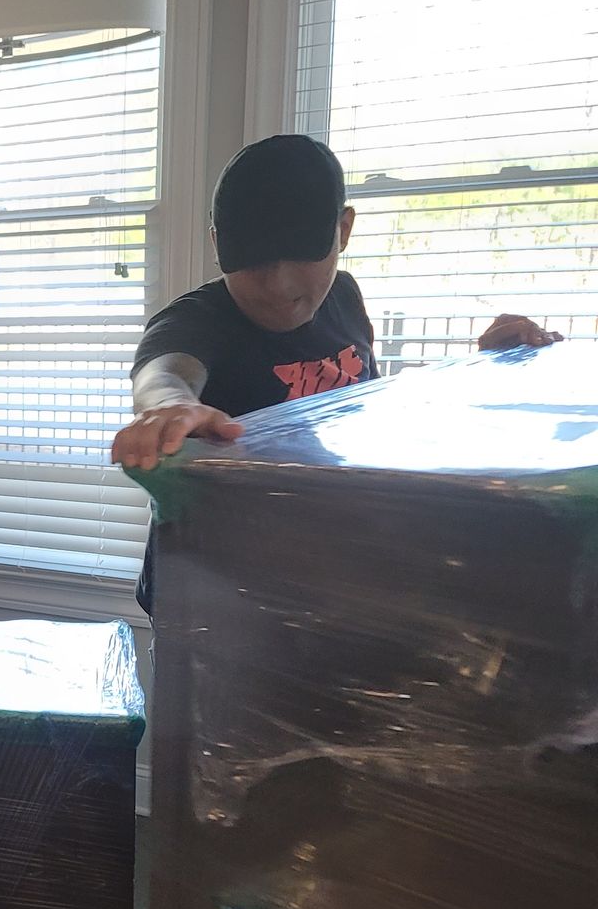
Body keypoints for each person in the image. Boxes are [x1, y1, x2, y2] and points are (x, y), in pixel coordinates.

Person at [111, 135, 561, 614]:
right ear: (218, 242)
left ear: (343, 231)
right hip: (217, 587)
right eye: (253, 261)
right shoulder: (197, 319)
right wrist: (170, 406)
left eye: (303, 253)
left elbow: (366, 406)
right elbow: (163, 372)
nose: (279, 285)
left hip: (329, 565)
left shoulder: (344, 297)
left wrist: (482, 368)